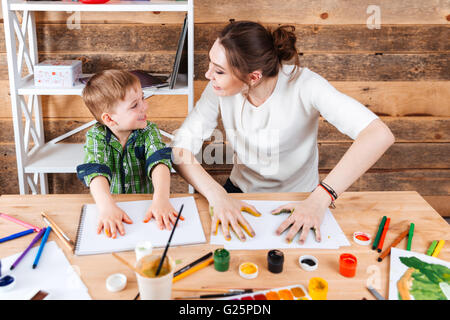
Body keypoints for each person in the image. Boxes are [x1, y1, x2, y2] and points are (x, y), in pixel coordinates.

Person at [171, 21, 395, 243]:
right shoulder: (217, 88)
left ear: (253, 77)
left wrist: (322, 197)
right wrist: (217, 195)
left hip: (303, 199)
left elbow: (378, 134)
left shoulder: (306, 85)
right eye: (210, 63)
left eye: (219, 70)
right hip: (238, 191)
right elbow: (181, 149)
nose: (208, 74)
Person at [76, 69, 178, 239]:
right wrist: (107, 207)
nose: (145, 106)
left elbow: (159, 163)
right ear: (109, 119)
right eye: (134, 105)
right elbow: (95, 172)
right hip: (114, 206)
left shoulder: (148, 130)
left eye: (142, 98)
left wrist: (161, 199)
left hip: (147, 205)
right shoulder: (96, 137)